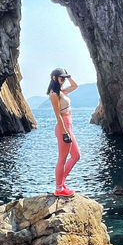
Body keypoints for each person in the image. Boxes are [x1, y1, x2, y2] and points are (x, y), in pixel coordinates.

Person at [47, 68, 80, 197]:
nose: (63, 81)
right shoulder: (54, 94)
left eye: (64, 79)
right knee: (62, 158)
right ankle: (59, 188)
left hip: (68, 126)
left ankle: (62, 182)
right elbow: (58, 115)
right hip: (63, 127)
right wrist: (64, 132)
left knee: (76, 155)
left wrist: (68, 75)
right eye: (61, 78)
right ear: (54, 78)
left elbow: (75, 86)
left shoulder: (62, 91)